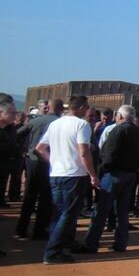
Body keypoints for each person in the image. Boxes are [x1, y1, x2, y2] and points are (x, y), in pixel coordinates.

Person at [35, 95, 99, 264]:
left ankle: (59, 245)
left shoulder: (55, 124)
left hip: (56, 174)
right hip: (74, 175)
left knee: (59, 212)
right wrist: (92, 174)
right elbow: (84, 152)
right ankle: (53, 251)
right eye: (86, 107)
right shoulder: (82, 125)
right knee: (68, 214)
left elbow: (40, 148)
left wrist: (54, 161)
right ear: (81, 108)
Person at [76, 105, 139, 253]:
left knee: (101, 210)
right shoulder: (137, 131)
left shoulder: (118, 130)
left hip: (113, 174)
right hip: (130, 174)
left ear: (120, 116)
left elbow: (108, 153)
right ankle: (120, 243)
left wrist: (100, 171)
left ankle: (91, 244)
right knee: (122, 212)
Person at [15, 99, 63, 240]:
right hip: (49, 161)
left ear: (48, 107)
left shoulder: (35, 121)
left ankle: (21, 229)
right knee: (45, 198)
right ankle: (39, 231)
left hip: (32, 161)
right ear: (61, 109)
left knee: (29, 196)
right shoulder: (59, 123)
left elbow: (18, 134)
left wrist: (23, 150)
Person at [0, 101, 20, 207]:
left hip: (6, 164)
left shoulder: (10, 129)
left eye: (15, 113)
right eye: (12, 113)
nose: (14, 115)